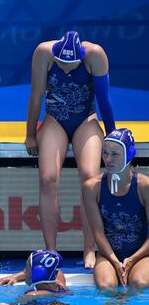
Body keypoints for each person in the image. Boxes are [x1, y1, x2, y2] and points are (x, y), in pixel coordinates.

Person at [25, 31, 115, 269]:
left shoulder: (95, 55)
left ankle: (89, 250)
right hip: (54, 119)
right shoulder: (43, 52)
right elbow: (35, 96)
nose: (65, 70)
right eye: (61, 65)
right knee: (47, 178)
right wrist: (30, 134)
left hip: (86, 119)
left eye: (70, 65)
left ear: (81, 58)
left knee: (90, 179)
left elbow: (104, 100)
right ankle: (51, 251)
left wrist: (113, 137)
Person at [83, 128, 149, 291]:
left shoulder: (144, 187)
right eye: (105, 153)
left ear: (129, 154)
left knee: (139, 284)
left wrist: (132, 259)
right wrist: (114, 261)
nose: (108, 159)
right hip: (108, 254)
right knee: (106, 287)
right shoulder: (92, 187)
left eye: (115, 154)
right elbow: (98, 233)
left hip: (142, 255)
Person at [0, 249, 68, 305]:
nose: (24, 272)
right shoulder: (60, 284)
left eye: (27, 267)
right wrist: (15, 277)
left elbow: (13, 304)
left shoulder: (32, 295)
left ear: (36, 273)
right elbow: (54, 270)